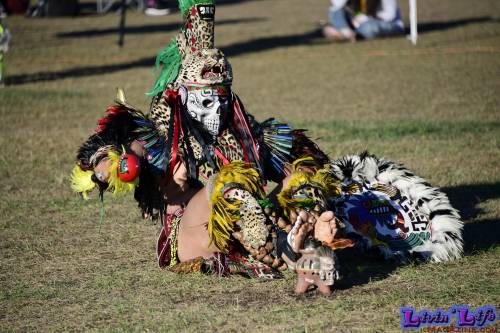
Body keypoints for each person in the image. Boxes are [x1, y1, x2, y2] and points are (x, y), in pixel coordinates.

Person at [71, 0, 464, 291]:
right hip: (193, 237)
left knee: (302, 181)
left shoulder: (247, 133)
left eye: (224, 97)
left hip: (252, 236)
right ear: (183, 94)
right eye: (206, 99)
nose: (217, 107)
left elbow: (308, 162)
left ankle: (307, 245)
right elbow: (108, 152)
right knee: (225, 185)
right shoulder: (161, 132)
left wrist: (306, 201)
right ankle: (297, 254)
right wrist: (112, 164)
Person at [323, 0, 404, 41]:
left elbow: (390, 15)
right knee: (335, 11)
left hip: (386, 23)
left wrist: (366, 18)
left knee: (369, 28)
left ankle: (347, 34)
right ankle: (346, 32)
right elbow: (337, 4)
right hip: (358, 21)